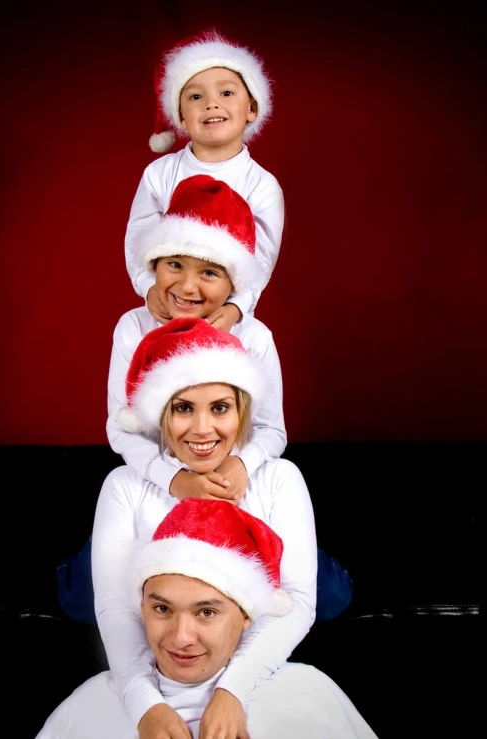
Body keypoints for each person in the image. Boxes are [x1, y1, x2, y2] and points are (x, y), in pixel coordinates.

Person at [56, 177, 352, 625]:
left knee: (329, 598)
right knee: (81, 601)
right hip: (161, 483)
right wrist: (173, 480)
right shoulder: (132, 328)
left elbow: (272, 429)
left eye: (210, 272)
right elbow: (121, 427)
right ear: (153, 264)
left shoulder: (253, 336)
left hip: (232, 483)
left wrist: (242, 465)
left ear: (233, 279)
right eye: (174, 264)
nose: (188, 287)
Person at [81, 316, 352, 738]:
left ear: (242, 409)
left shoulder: (277, 478)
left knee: (329, 592)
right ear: (159, 415)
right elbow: (115, 608)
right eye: (184, 408)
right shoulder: (125, 485)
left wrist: (231, 691)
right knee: (81, 592)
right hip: (121, 568)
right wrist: (144, 704)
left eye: (220, 408)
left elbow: (298, 601)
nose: (203, 429)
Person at [38, 498, 378, 738]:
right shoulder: (90, 702)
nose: (181, 637)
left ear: (247, 616)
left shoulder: (309, 692)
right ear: (140, 607)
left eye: (206, 612)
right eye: (162, 609)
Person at [125, 28, 284, 331]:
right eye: (196, 96)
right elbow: (138, 237)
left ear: (251, 108)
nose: (211, 104)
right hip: (166, 310)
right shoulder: (160, 174)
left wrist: (236, 308)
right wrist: (148, 288)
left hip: (224, 317)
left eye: (226, 93)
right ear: (181, 117)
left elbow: (262, 258)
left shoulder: (262, 185)